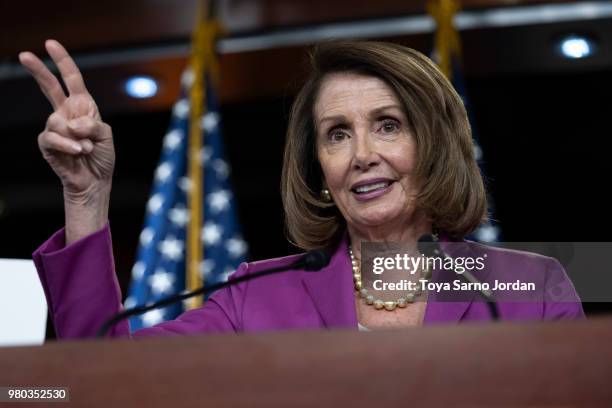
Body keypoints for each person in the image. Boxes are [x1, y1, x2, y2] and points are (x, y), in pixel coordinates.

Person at [20, 40, 584, 339]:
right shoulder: (256, 297)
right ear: (320, 165)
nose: (363, 154)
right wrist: (86, 197)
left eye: (388, 124)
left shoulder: (532, 286)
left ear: (433, 144)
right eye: (337, 134)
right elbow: (106, 377)